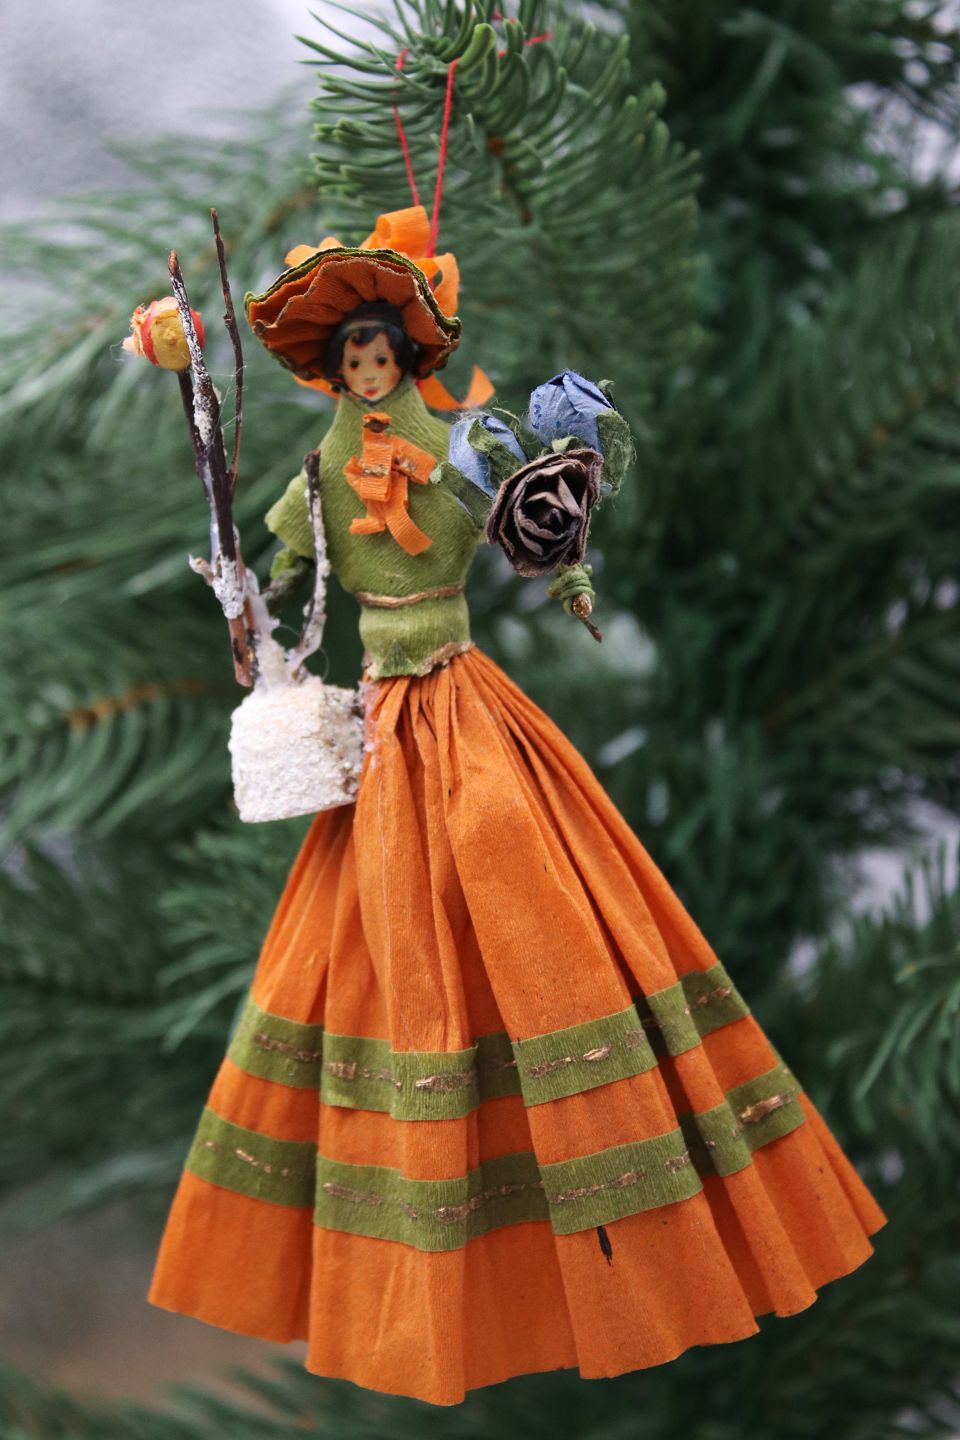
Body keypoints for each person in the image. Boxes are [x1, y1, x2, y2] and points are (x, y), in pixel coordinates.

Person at [149, 206, 886, 1407]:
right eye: (354, 361)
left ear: (406, 358)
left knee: (519, 863)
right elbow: (286, 551)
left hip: (460, 699)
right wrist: (251, 595)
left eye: (382, 356)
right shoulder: (323, 468)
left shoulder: (452, 450)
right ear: (335, 371)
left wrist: (570, 565)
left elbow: (531, 524)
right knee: (380, 920)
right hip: (381, 712)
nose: (370, 375)